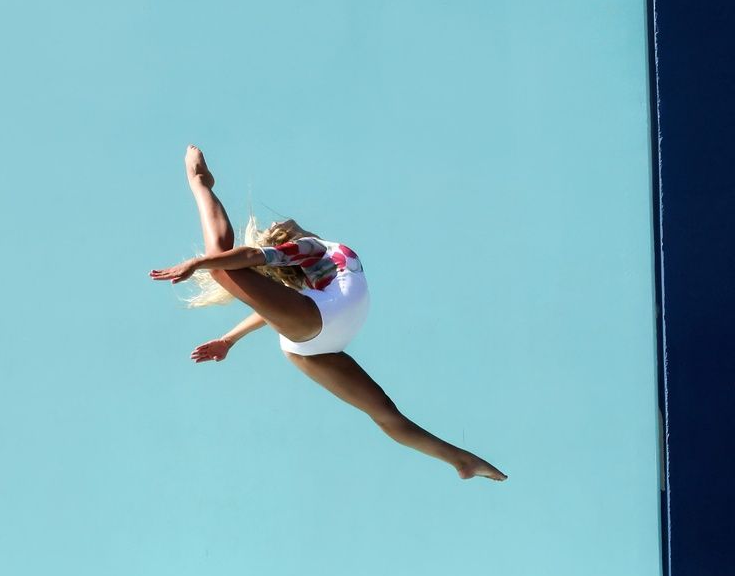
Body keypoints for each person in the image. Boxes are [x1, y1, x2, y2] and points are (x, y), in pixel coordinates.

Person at [149, 145, 507, 482]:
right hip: (322, 327)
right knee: (219, 266)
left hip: (315, 337)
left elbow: (270, 310)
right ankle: (200, 183)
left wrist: (228, 340)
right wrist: (197, 263)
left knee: (384, 412)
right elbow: (252, 258)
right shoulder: (312, 247)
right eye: (283, 228)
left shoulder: (309, 287)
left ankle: (460, 460)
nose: (287, 222)